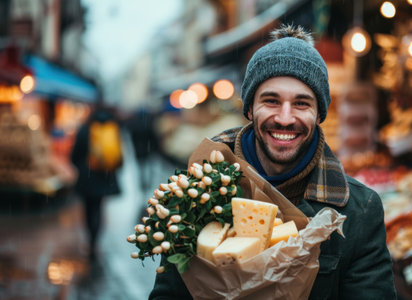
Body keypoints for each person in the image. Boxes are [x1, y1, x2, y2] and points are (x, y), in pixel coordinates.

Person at [149, 24, 397, 299]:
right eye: (271, 101)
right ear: (250, 108)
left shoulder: (359, 211)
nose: (285, 118)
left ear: (318, 115)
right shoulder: (198, 196)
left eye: (302, 103)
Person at [70, 105, 122, 260]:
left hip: (87, 177)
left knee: (88, 209)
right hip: (104, 177)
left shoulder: (85, 129)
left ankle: (90, 240)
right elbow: (118, 156)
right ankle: (95, 240)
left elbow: (74, 156)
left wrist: (82, 166)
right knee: (98, 209)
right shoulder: (112, 128)